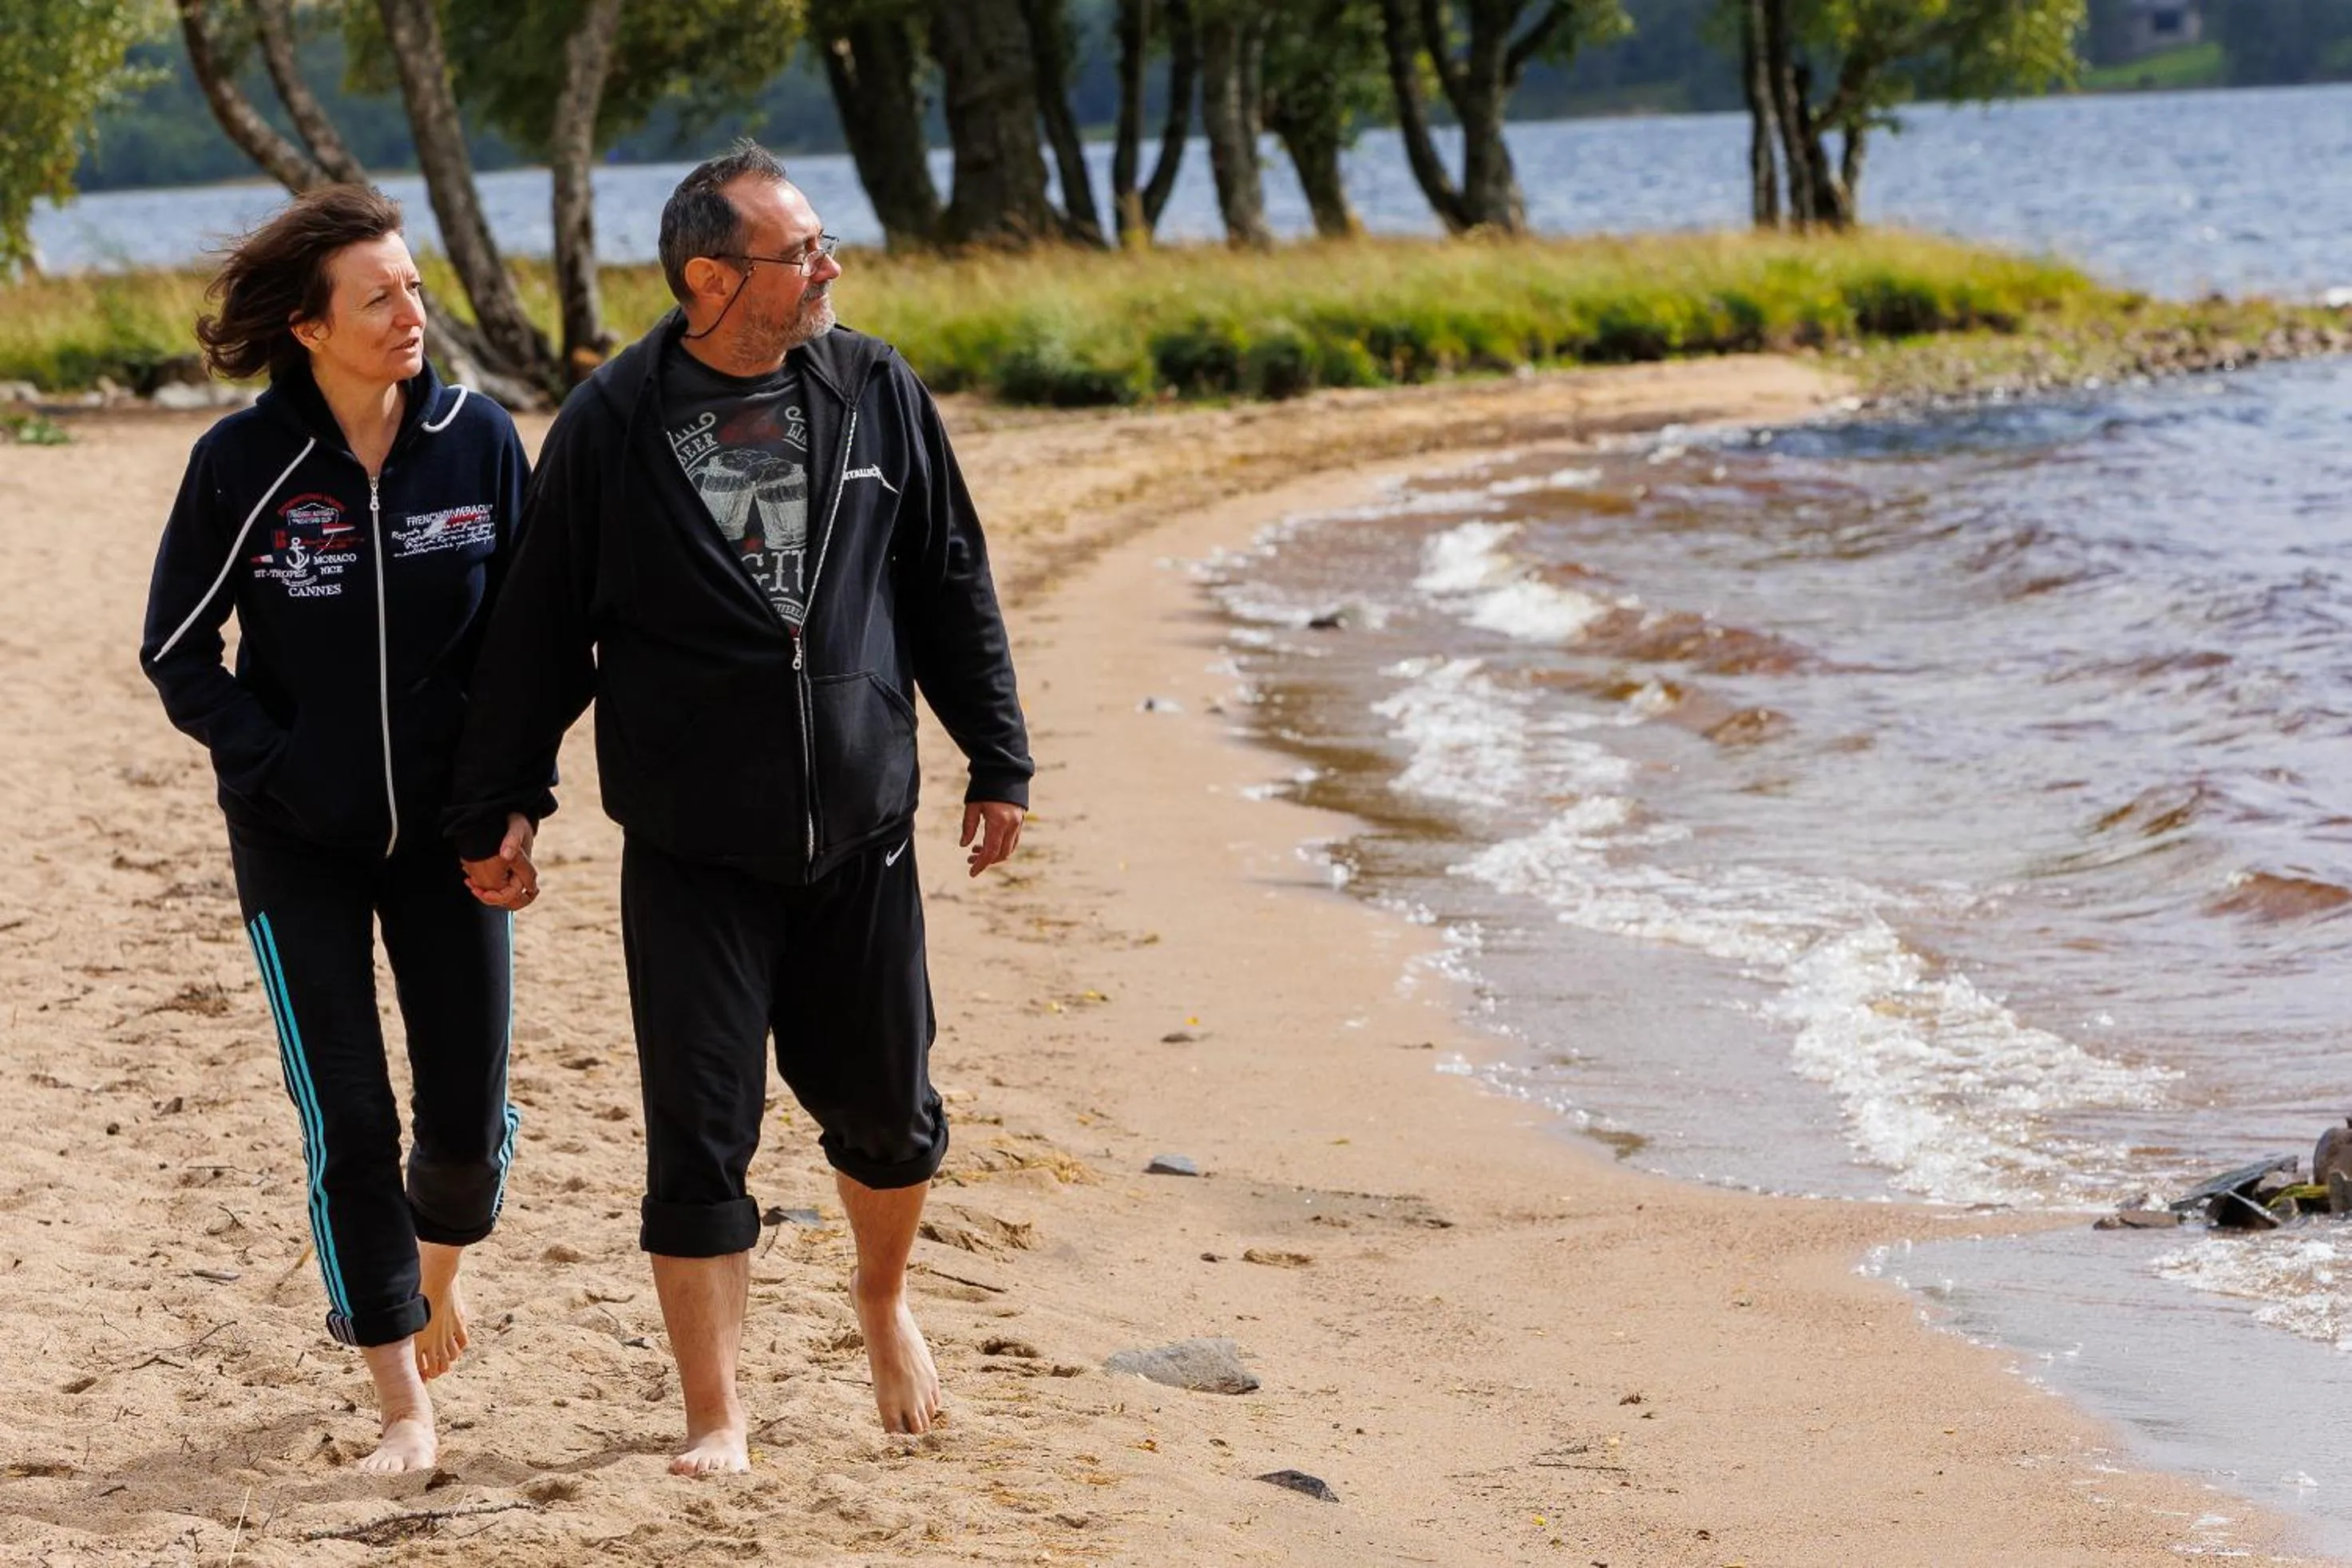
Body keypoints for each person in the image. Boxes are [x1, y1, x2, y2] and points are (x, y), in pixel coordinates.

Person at [444, 141, 1032, 1474]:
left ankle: (881, 1300)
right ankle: (717, 1414)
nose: (829, 268)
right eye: (801, 252)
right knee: (700, 1138)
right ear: (711, 277)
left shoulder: (872, 384)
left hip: (864, 839)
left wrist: (997, 759)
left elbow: (950, 579)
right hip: (695, 851)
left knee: (890, 1115)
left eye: (824, 246)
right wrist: (502, 802)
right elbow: (539, 633)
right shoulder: (612, 421)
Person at [138, 185, 538, 1474]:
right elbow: (177, 652)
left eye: (415, 288)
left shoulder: (479, 444)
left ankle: (436, 1270)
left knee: (466, 1124)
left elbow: (524, 654)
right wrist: (278, 767)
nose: (412, 312)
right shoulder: (243, 466)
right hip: (295, 846)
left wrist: (513, 805)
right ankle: (402, 1408)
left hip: (450, 842)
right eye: (381, 296)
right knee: (350, 1121)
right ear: (309, 328)